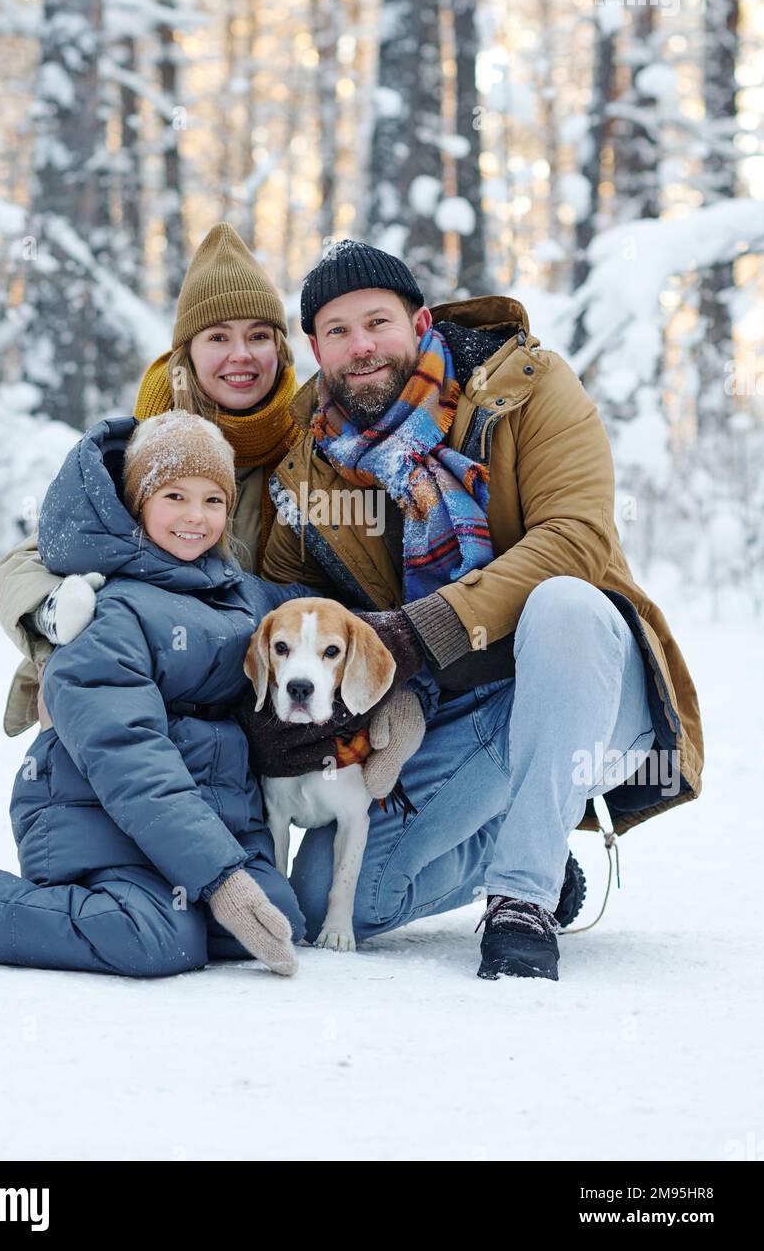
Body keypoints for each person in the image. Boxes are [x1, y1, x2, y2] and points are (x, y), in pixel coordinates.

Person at [251, 240, 705, 981]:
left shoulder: (530, 386)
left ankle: (523, 897)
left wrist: (422, 631)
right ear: (316, 348)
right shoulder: (310, 465)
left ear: (420, 322)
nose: (361, 346)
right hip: (458, 710)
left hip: (588, 683)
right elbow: (286, 599)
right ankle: (525, 841)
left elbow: (576, 538)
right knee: (327, 898)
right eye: (338, 331)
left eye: (378, 322)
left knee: (563, 604)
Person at [0, 412, 315, 977]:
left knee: (276, 916)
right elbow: (128, 755)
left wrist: (410, 642)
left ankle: (187, 884)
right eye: (174, 496)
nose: (196, 516)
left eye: (213, 500)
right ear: (139, 503)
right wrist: (220, 877)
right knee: (155, 938)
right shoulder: (112, 610)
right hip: (97, 814)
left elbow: (330, 620)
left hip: (200, 823)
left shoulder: (243, 596)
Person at [0, 222, 303, 742]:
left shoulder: (308, 448)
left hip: (251, 684)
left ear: (281, 349)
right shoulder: (144, 447)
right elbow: (32, 559)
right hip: (142, 681)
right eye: (218, 337)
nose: (241, 354)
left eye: (258, 336)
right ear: (188, 353)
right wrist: (61, 623)